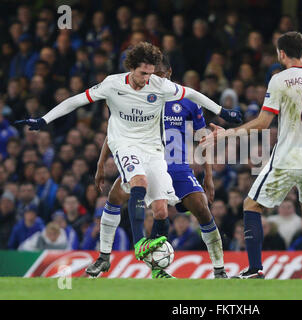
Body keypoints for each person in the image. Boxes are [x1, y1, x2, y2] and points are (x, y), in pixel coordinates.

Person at [16, 42, 241, 273]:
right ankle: (123, 249)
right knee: (127, 189)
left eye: (155, 74)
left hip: (164, 157)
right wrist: (45, 120)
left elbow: (196, 105)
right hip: (127, 147)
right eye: (145, 73)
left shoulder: (166, 90)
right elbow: (81, 105)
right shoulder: (113, 85)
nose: (150, 79)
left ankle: (179, 269)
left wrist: (223, 113)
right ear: (132, 68)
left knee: (172, 210)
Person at [202, 31, 302, 279]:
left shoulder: (279, 80)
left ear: (281, 53)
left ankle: (255, 268)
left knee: (251, 205)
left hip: (288, 156)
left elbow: (262, 123)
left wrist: (226, 135)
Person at [85, 55, 229, 279]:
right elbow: (117, 131)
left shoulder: (187, 101)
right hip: (145, 161)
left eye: (159, 76)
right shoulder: (138, 97)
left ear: (169, 74)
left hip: (177, 167)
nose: (153, 81)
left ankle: (219, 270)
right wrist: (101, 162)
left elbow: (204, 139)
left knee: (202, 211)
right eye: (150, 76)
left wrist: (208, 176)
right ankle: (105, 257)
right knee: (114, 199)